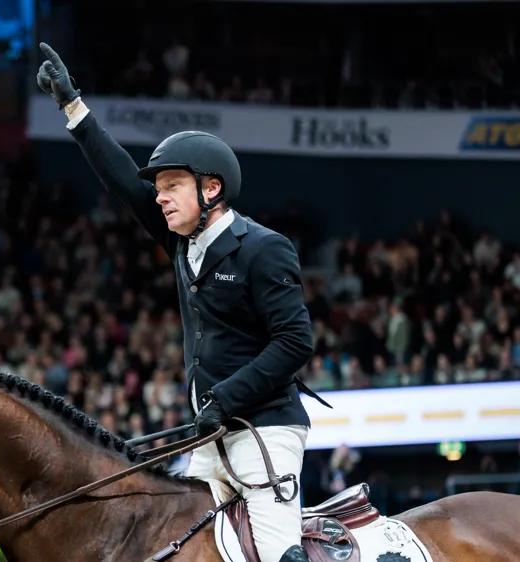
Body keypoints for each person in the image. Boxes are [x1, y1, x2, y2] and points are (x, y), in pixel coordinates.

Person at [36, 42, 330, 562]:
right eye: (161, 188)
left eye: (172, 185)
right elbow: (125, 183)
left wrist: (225, 399)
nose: (161, 196)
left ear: (211, 189)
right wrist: (73, 108)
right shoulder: (182, 243)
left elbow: (295, 342)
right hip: (209, 440)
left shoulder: (265, 248)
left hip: (264, 431)